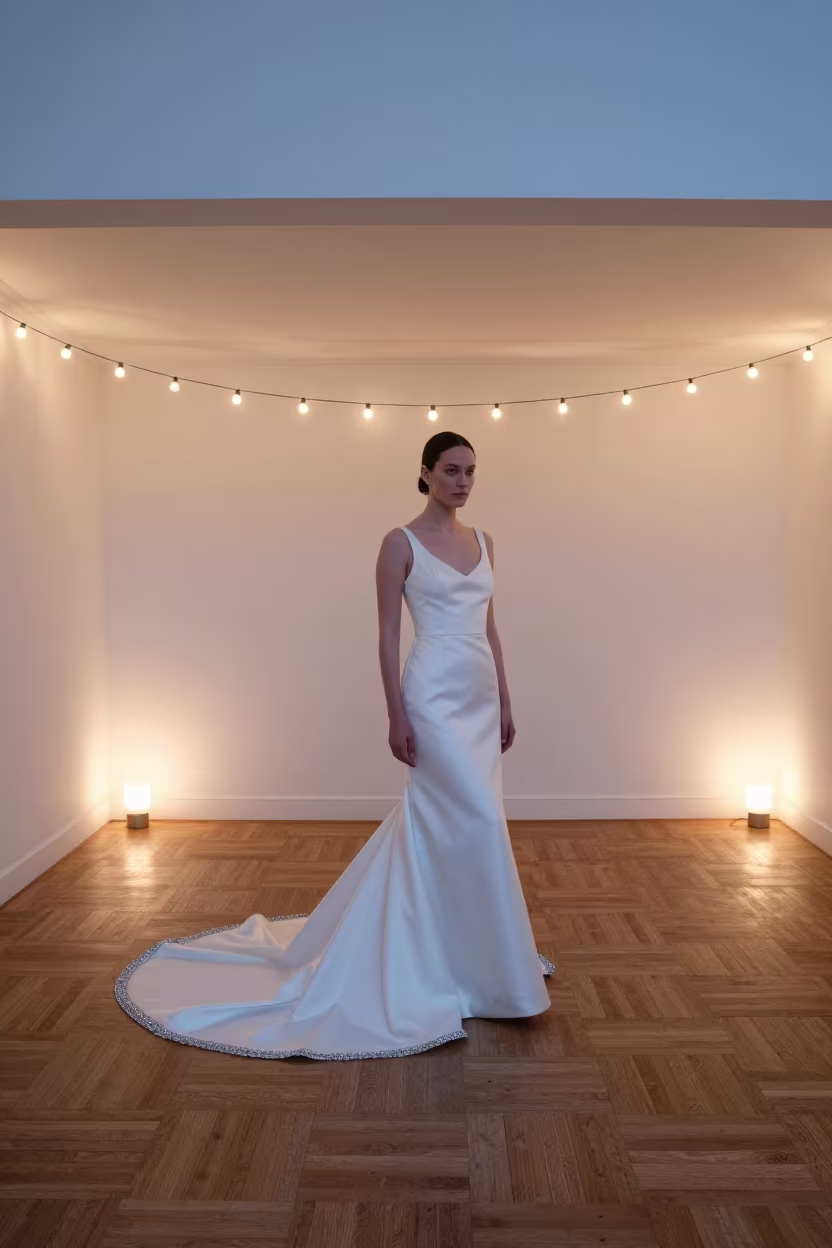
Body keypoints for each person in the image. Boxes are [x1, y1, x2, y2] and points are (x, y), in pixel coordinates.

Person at [115, 431, 554, 1060]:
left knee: (477, 821)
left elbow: (491, 629)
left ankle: (481, 962)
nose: (463, 482)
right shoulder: (399, 543)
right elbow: (386, 635)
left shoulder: (486, 543)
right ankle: (433, 960)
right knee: (464, 817)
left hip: (479, 696)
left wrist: (507, 698)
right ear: (425, 473)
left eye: (470, 472)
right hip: (431, 693)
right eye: (451, 471)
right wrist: (395, 712)